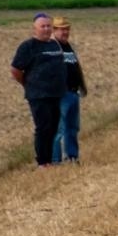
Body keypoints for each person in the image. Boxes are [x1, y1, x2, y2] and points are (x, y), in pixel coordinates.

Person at [10, 13, 67, 168]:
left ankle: (50, 160)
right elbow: (15, 70)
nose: (46, 29)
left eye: (49, 26)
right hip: (38, 95)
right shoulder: (28, 47)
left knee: (53, 127)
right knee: (43, 128)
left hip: (56, 94)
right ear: (35, 28)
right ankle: (42, 162)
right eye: (43, 26)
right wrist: (28, 84)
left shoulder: (54, 45)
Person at [50, 16, 88, 164]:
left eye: (67, 29)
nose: (65, 32)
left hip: (73, 92)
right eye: (62, 29)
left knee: (72, 128)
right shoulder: (52, 47)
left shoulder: (68, 47)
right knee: (58, 129)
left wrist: (82, 87)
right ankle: (55, 160)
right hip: (60, 93)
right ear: (54, 30)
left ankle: (72, 156)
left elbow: (76, 68)